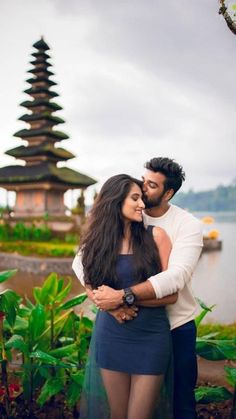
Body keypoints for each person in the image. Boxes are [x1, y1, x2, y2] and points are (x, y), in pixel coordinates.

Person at [88, 158, 203, 419]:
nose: (143, 189)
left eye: (151, 185)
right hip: (123, 326)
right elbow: (83, 263)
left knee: (181, 403)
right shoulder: (124, 222)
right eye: (143, 181)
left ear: (168, 192)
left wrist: (120, 298)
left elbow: (175, 278)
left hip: (174, 326)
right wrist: (105, 302)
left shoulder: (186, 225)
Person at [73, 173, 177, 419]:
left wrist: (122, 298)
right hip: (111, 336)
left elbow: (171, 294)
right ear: (114, 201)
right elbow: (94, 290)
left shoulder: (156, 237)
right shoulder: (96, 245)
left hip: (151, 337)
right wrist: (112, 307)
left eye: (142, 198)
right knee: (117, 414)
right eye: (135, 198)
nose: (142, 204)